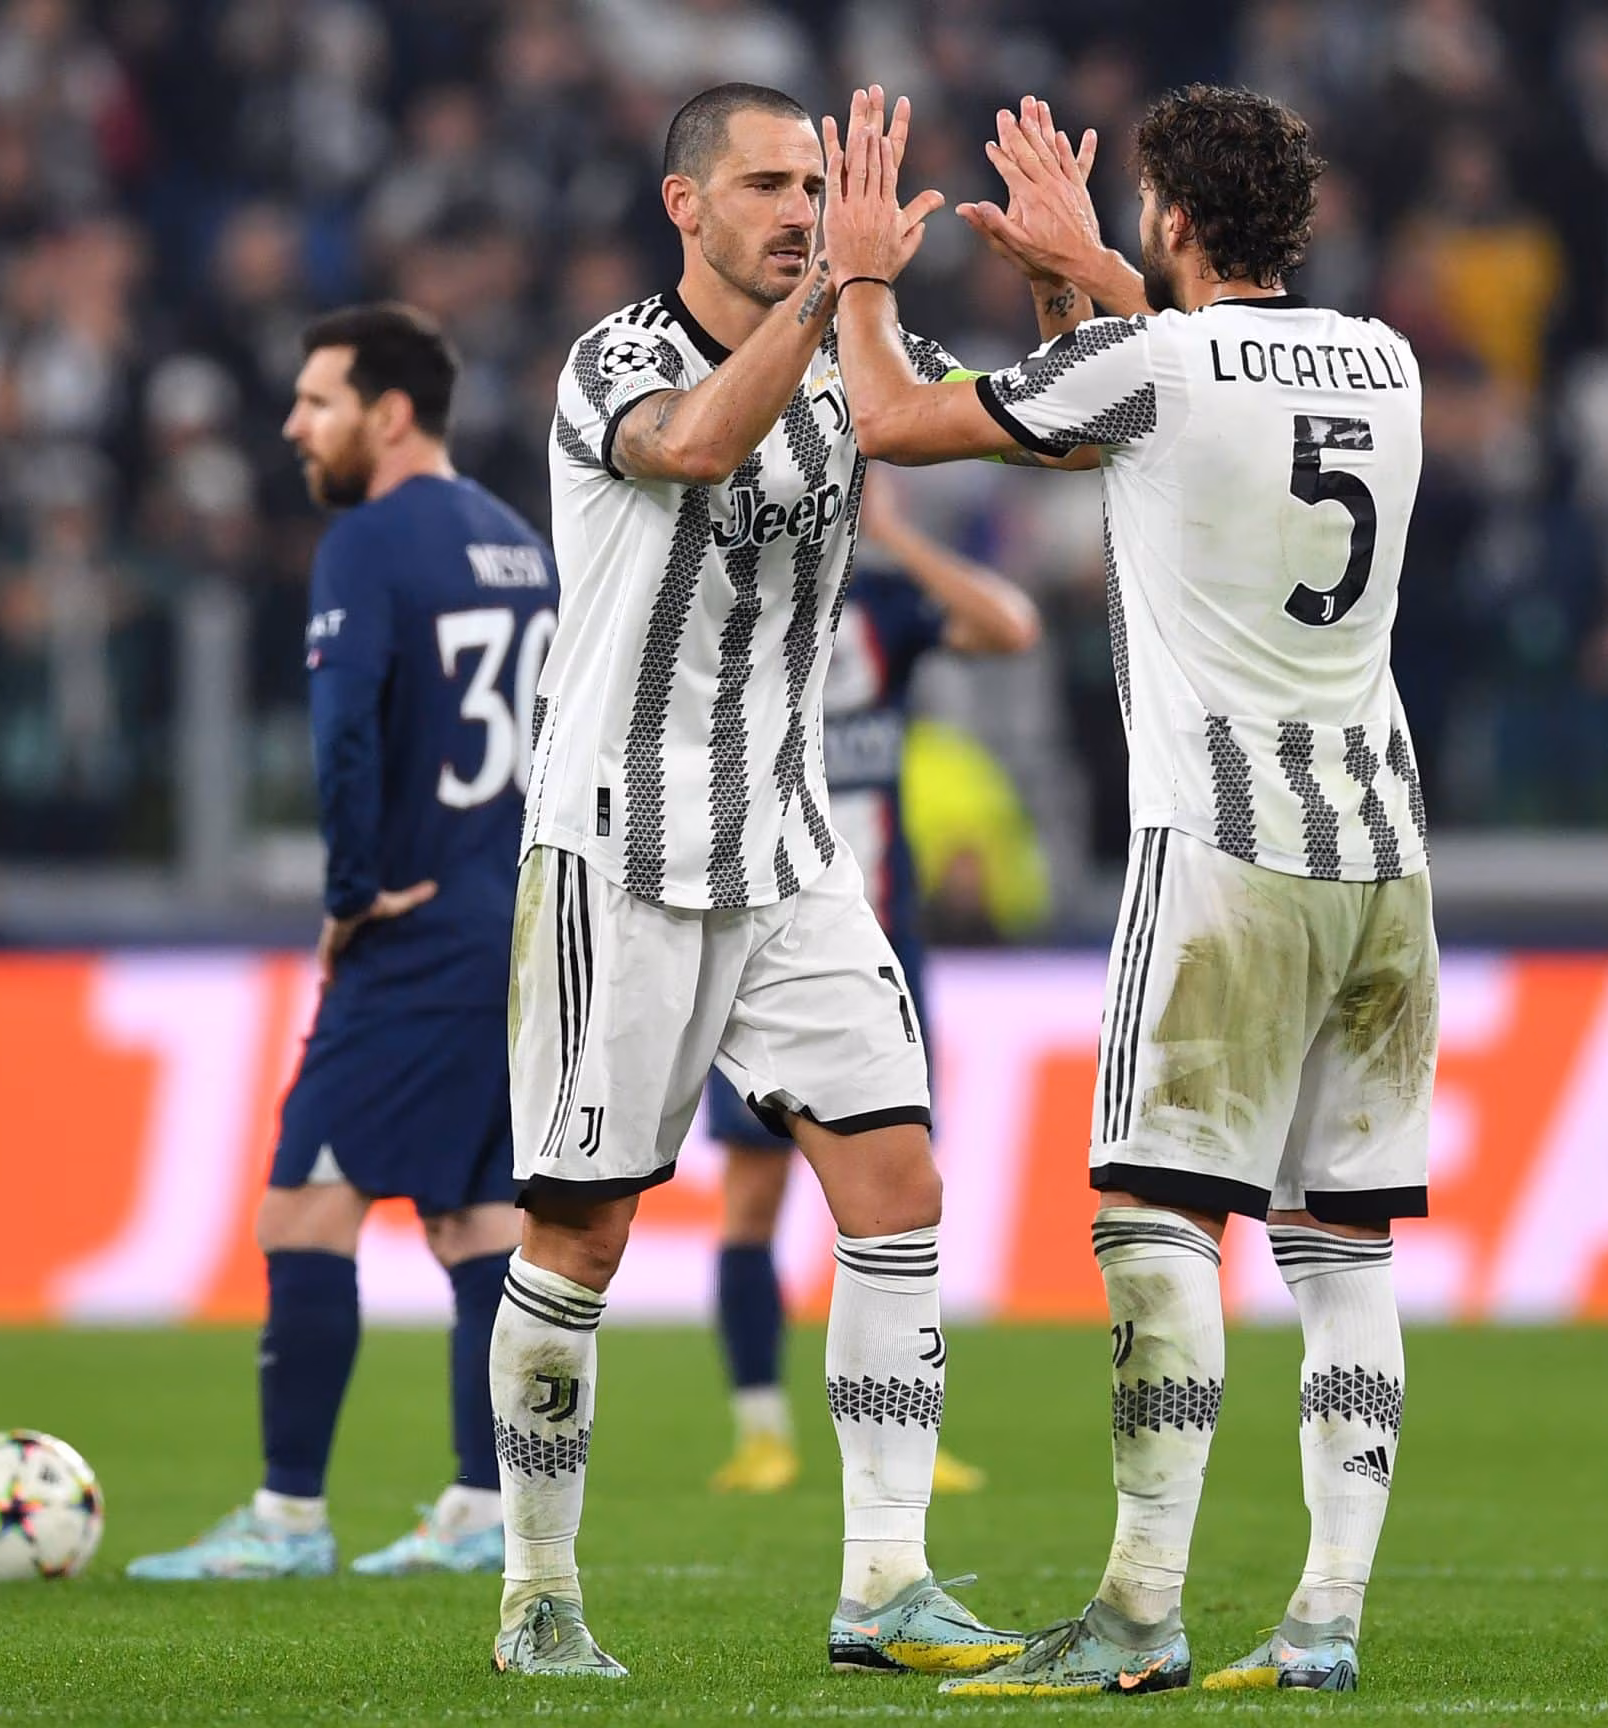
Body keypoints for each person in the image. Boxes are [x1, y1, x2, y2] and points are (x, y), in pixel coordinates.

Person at [828, 86, 1437, 1695]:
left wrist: (865, 276)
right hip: (1385, 856)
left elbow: (892, 420)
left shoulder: (1155, 364)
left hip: (1228, 856)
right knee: (1342, 1255)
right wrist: (1082, 281)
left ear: (1169, 218)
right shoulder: (1386, 360)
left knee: (1156, 1222)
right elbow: (1173, 402)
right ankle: (1324, 1622)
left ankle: (1142, 1607)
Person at [486, 82, 1062, 1681]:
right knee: (581, 1236)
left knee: (898, 1189)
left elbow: (1056, 428)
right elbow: (691, 445)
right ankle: (538, 1592)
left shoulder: (858, 348)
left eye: (818, 184)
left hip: (794, 850)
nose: (802, 209)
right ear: (686, 205)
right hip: (621, 849)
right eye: (767, 185)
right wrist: (836, 298)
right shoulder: (614, 359)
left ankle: (887, 1582)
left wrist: (1071, 288)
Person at [127, 303, 558, 1581]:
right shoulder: (519, 542)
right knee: (477, 1218)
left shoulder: (367, 541)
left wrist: (351, 890)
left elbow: (344, 731)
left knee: (304, 1207)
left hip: (415, 930)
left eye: (316, 402)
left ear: (389, 412)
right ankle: (482, 1508)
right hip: (516, 922)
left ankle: (288, 1519)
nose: (292, 426)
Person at [704, 476, 1039, 1497]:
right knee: (754, 1195)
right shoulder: (738, 600)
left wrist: (894, 536)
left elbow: (1011, 628)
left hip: (884, 948)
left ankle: (908, 1427)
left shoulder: (888, 607)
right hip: (763, 945)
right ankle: (761, 1430)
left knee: (898, 1193)